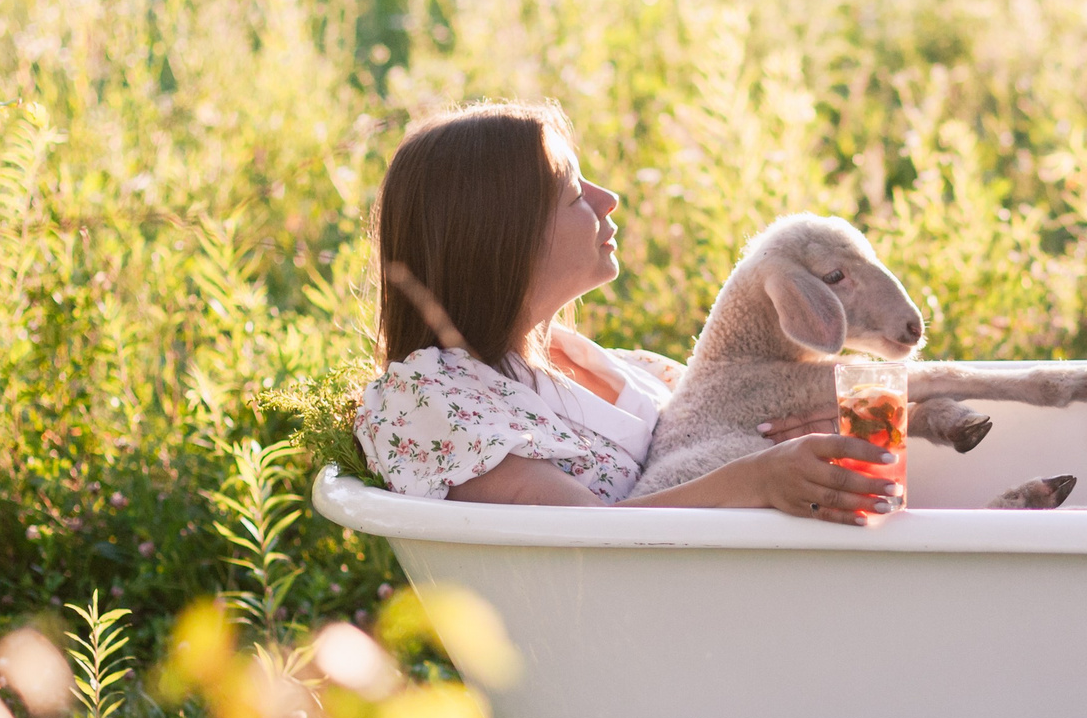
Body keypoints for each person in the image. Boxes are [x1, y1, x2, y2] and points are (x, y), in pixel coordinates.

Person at [354, 101, 900, 520]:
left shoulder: (626, 368)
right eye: (573, 193)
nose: (607, 198)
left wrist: (796, 435)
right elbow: (590, 541)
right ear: (502, 240)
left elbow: (723, 437)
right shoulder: (430, 401)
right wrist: (756, 479)